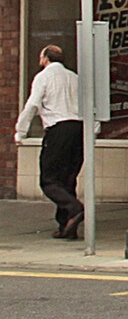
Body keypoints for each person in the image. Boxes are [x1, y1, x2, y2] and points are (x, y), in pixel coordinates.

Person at [15, 43, 84, 239]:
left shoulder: (43, 77)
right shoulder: (75, 77)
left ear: (45, 59)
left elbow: (32, 105)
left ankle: (74, 208)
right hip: (78, 129)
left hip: (58, 129)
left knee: (49, 180)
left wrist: (21, 131)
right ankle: (67, 227)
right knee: (68, 178)